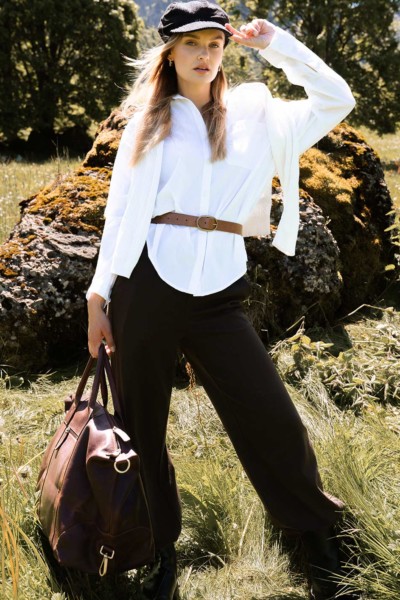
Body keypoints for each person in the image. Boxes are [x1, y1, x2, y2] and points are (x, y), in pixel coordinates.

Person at [86, 2, 357, 599]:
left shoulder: (259, 113)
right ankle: (158, 552)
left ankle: (315, 537)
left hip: (219, 294)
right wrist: (98, 294)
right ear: (170, 53)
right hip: (146, 284)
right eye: (192, 44)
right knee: (141, 426)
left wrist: (278, 44)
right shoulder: (148, 120)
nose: (205, 55)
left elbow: (337, 99)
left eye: (214, 43)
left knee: (271, 418)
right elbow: (120, 210)